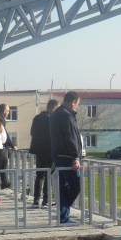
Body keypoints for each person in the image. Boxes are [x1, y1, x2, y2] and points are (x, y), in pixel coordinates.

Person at [49, 91, 83, 224]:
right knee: (76, 184)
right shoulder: (67, 115)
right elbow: (71, 137)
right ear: (72, 102)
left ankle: (63, 216)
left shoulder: (55, 114)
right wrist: (75, 156)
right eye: (77, 104)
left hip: (57, 155)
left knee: (62, 187)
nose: (77, 107)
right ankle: (63, 211)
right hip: (67, 156)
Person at [29, 99, 59, 209]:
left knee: (39, 175)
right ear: (54, 108)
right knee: (49, 175)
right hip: (50, 150)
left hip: (38, 150)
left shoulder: (36, 118)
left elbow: (32, 132)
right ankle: (46, 201)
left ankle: (36, 201)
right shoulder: (53, 119)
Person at [0, 103, 16, 189]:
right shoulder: (1, 119)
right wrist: (12, 145)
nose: (8, 113)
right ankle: (4, 182)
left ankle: (3, 182)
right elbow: (5, 134)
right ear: (4, 111)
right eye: (8, 111)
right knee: (3, 163)